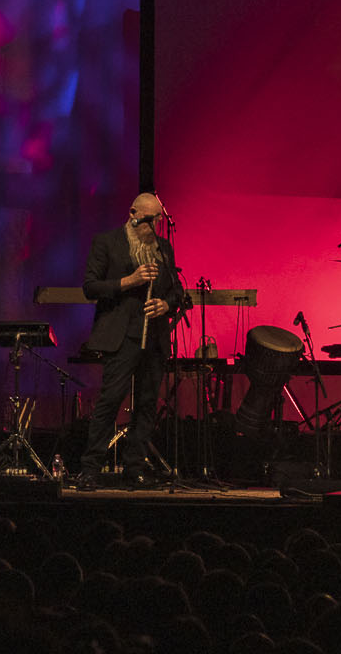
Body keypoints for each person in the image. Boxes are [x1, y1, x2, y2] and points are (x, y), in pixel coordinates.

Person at [77, 192, 190, 487]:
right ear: (133, 213)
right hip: (122, 336)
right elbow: (90, 287)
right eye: (150, 221)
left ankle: (134, 467)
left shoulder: (163, 248)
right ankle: (91, 468)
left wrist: (166, 304)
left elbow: (177, 290)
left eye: (158, 222)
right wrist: (131, 281)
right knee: (111, 400)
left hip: (154, 336)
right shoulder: (107, 242)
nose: (154, 228)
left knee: (148, 403)